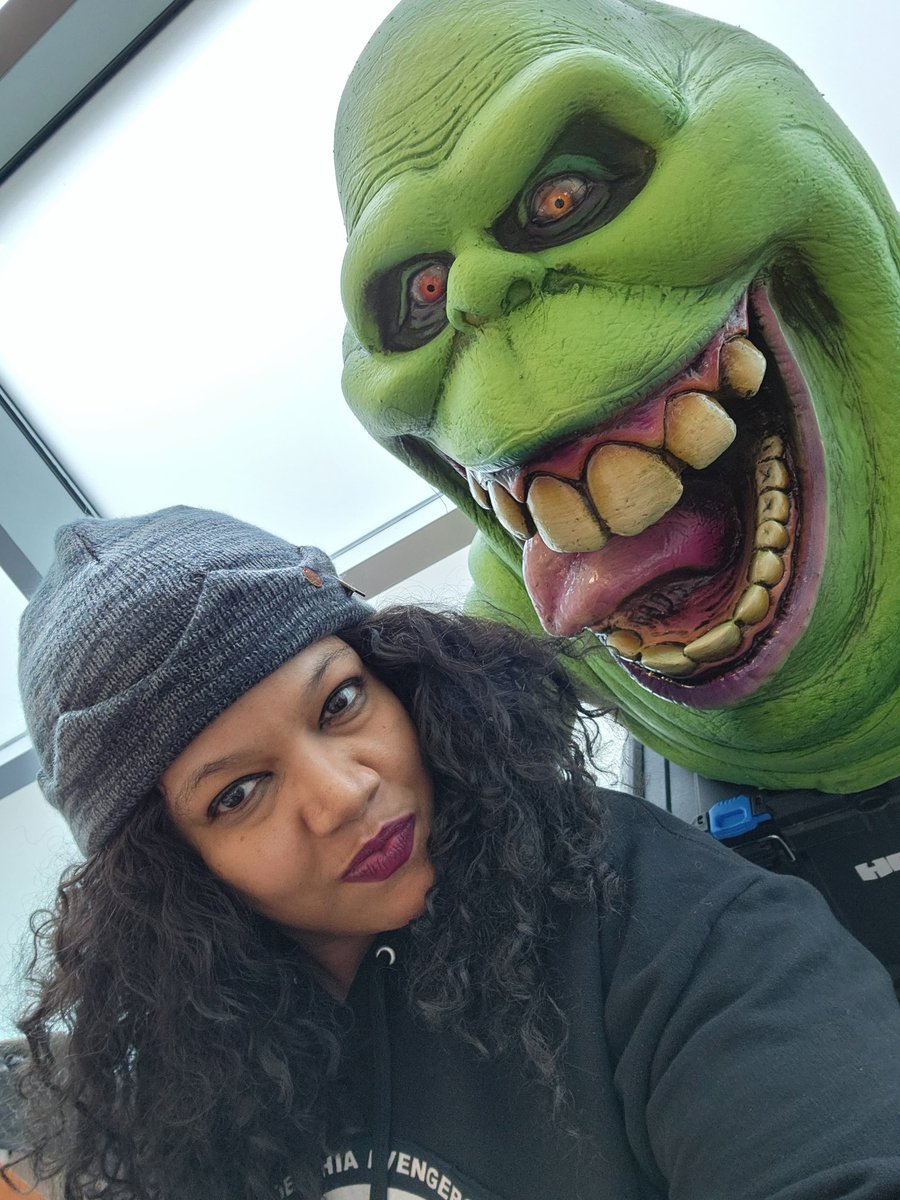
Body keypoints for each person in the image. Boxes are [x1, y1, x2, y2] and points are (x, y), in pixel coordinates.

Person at [10, 506, 900, 1200]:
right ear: (170, 877)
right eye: (239, 793)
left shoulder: (661, 923)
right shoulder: (187, 1089)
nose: (343, 794)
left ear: (403, 680)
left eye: (340, 703)